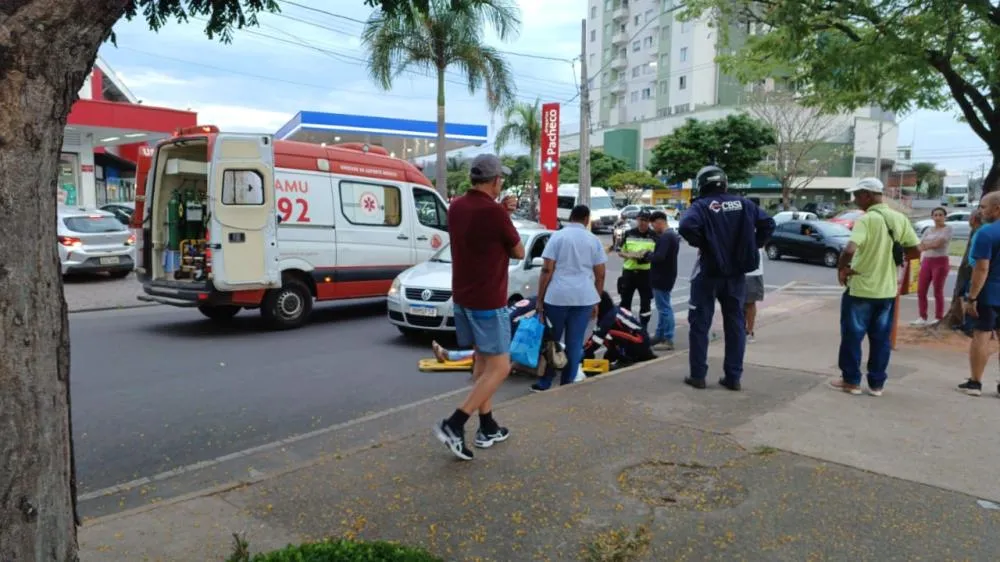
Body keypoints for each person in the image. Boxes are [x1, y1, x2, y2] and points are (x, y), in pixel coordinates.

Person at [434, 153, 525, 461]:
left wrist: (501, 212)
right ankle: (455, 423)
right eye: (501, 179)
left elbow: (478, 232)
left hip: (464, 297)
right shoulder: (495, 213)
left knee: (483, 365)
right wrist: (505, 215)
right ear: (496, 180)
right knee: (500, 367)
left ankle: (487, 426)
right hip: (489, 300)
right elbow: (518, 250)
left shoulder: (456, 206)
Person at [678, 165, 775, 391]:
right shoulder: (744, 204)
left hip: (709, 272)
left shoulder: (702, 206)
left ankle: (698, 376)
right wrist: (755, 244)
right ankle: (733, 377)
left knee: (700, 325)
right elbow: (768, 224)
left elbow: (685, 226)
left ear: (702, 184)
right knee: (735, 325)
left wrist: (704, 242)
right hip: (736, 274)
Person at [833, 177, 920, 397]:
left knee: (853, 336)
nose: (855, 200)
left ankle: (851, 381)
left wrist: (842, 268)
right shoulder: (899, 218)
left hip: (861, 287)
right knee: (881, 339)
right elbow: (916, 251)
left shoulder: (867, 219)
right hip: (887, 291)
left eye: (856, 195)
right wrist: (895, 260)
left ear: (867, 195)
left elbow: (850, 249)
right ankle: (876, 384)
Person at [532, 204, 607, 392]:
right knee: (575, 342)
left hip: (557, 297)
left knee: (551, 341)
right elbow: (600, 275)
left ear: (570, 217)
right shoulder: (594, 240)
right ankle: (567, 383)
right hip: (583, 298)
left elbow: (547, 269)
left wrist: (540, 299)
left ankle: (545, 382)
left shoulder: (557, 236)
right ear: (586, 219)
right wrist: (596, 300)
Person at [959, 193, 1000, 396]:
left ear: (997, 208)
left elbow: (981, 269)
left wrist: (972, 297)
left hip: (989, 292)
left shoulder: (987, 233)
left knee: (981, 335)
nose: (981, 211)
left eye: (984, 207)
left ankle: (975, 382)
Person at [432, 297, 539, 364]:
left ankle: (450, 354)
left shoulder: (533, 299)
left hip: (501, 322)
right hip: (510, 330)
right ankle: (449, 355)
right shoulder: (540, 304)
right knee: (495, 355)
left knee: (487, 351)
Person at [583, 291, 657, 365]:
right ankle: (620, 354)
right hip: (641, 342)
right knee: (606, 343)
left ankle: (625, 358)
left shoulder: (609, 318)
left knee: (607, 333)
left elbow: (596, 340)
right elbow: (594, 335)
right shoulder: (611, 312)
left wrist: (583, 355)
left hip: (639, 343)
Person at [911, 207, 953, 326]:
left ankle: (938, 317)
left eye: (940, 215)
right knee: (921, 290)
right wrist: (924, 246)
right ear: (932, 217)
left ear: (945, 217)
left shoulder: (948, 229)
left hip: (940, 261)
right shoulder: (928, 230)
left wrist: (925, 246)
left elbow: (938, 244)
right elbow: (920, 245)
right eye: (935, 215)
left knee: (937, 291)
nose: (938, 217)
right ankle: (922, 317)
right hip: (927, 261)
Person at [645, 210, 680, 351]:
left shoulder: (666, 237)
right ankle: (659, 335)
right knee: (662, 307)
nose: (654, 229)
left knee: (665, 308)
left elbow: (659, 257)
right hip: (667, 275)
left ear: (659, 222)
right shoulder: (672, 235)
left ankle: (668, 338)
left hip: (662, 276)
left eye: (653, 226)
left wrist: (647, 255)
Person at [617, 209, 657, 329]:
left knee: (645, 302)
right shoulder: (629, 233)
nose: (642, 223)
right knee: (625, 301)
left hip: (645, 273)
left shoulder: (654, 235)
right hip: (629, 272)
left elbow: (657, 255)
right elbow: (620, 251)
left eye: (645, 220)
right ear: (637, 220)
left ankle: (643, 328)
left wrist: (645, 255)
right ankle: (625, 327)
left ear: (649, 222)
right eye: (640, 220)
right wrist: (631, 255)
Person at [744, 247, 765, 343]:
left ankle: (749, 332)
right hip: (735, 269)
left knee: (750, 303)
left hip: (752, 271)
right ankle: (740, 330)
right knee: (736, 303)